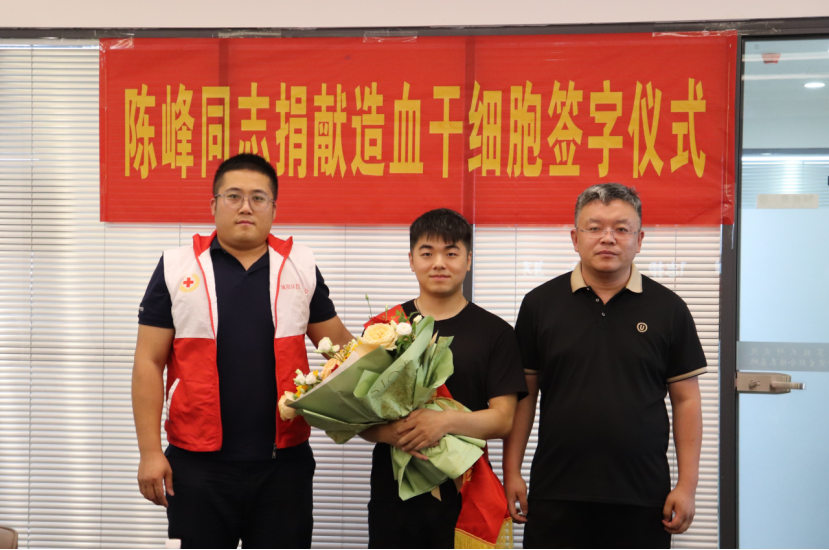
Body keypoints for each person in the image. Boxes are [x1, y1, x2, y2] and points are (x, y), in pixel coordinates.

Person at [131, 154, 353, 549]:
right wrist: (149, 452)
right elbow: (149, 361)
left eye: (258, 198)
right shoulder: (176, 267)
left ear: (274, 209)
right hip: (196, 465)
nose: (246, 207)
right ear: (214, 205)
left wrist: (393, 367)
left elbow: (339, 350)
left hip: (283, 466)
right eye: (233, 196)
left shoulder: (300, 265)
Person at [503, 184, 706, 549]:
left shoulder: (669, 309)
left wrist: (687, 486)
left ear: (639, 240)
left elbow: (686, 401)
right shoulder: (539, 305)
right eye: (594, 228)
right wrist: (512, 471)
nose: (607, 238)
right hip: (556, 491)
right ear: (575, 238)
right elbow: (525, 397)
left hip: (643, 496)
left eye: (621, 229)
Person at [360, 208, 528, 549]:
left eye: (451, 253)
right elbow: (359, 420)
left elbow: (503, 420)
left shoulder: (496, 333)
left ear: (469, 260)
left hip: (463, 489)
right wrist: (400, 434)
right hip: (394, 494)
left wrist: (443, 422)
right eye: (427, 253)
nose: (439, 263)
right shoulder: (384, 329)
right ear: (411, 260)